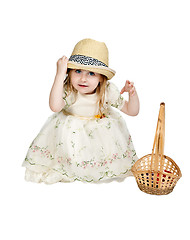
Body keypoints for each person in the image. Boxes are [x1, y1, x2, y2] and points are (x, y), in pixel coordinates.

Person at [22, 38, 140, 184]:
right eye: (78, 71)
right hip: (70, 134)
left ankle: (94, 168)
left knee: (98, 151)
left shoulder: (106, 92)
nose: (83, 79)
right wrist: (59, 75)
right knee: (70, 147)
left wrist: (132, 94)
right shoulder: (69, 90)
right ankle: (70, 166)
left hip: (98, 134)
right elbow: (54, 106)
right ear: (69, 73)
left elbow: (132, 111)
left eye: (91, 73)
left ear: (101, 79)